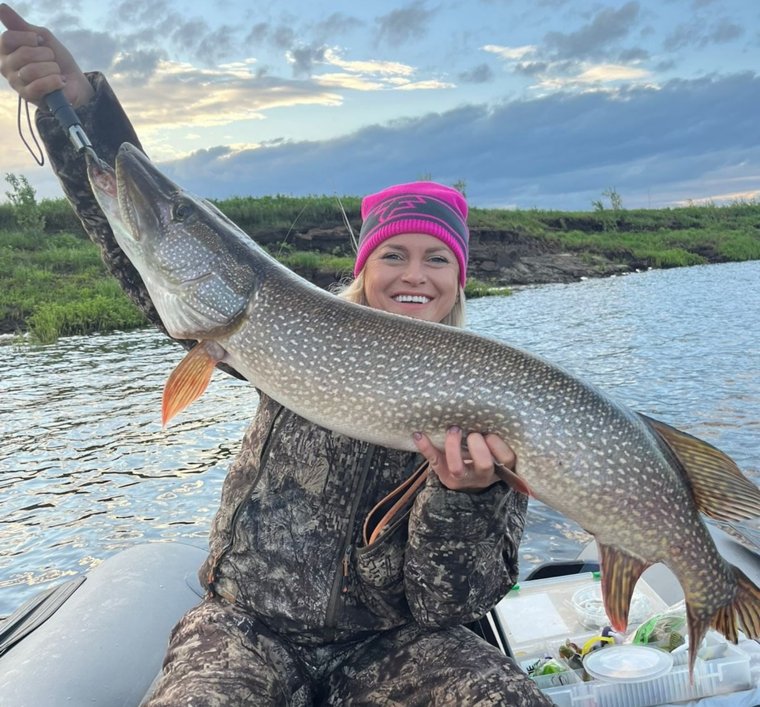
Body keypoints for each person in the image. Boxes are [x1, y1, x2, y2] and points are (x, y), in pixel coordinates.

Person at [0, 6, 551, 705]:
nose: (415, 273)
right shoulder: (264, 322)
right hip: (246, 623)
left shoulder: (483, 389)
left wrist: (464, 496)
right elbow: (145, 249)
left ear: (460, 275)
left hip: (396, 640)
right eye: (393, 254)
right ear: (364, 267)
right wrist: (79, 108)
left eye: (437, 258)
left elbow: (448, 603)